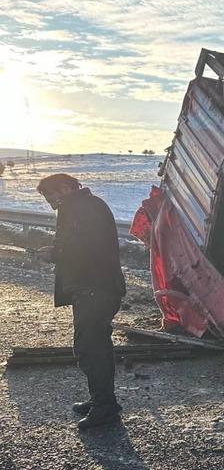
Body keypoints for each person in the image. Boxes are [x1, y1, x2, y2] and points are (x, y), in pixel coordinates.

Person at [36, 174, 127, 429]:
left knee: (89, 348)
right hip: (95, 288)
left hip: (95, 288)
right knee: (97, 346)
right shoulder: (87, 206)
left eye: (50, 195)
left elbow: (87, 248)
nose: (49, 201)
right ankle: (102, 400)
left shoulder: (80, 208)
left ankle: (105, 407)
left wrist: (54, 254)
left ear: (65, 188)